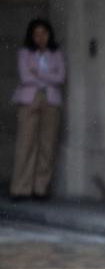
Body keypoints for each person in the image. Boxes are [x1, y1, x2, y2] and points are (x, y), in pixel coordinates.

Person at [10, 18, 65, 201]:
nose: (40, 38)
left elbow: (61, 78)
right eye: (36, 34)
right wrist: (48, 76)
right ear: (31, 36)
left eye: (44, 33)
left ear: (49, 35)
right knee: (25, 144)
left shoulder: (56, 53)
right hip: (30, 99)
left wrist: (39, 73)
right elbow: (25, 77)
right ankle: (20, 188)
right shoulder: (24, 53)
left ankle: (40, 188)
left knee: (47, 145)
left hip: (50, 100)